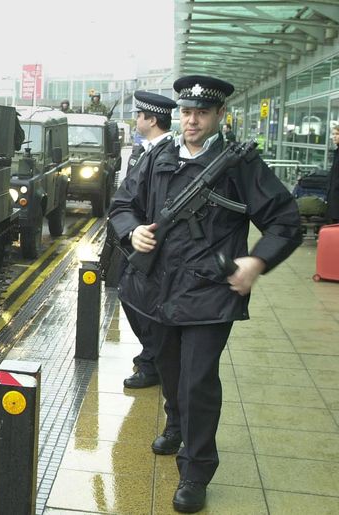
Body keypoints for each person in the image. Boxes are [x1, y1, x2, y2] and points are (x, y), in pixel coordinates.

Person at [109, 75, 301, 513]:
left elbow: (285, 222)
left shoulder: (239, 165)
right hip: (155, 289)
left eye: (201, 113)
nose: (191, 120)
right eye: (186, 112)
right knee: (171, 372)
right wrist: (132, 229)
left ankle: (195, 470)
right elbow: (122, 205)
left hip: (208, 294)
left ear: (219, 116)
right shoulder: (159, 157)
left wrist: (256, 261)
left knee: (198, 383)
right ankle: (176, 423)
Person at [116, 90, 177, 390]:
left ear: (151, 119)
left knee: (140, 303)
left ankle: (152, 363)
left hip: (150, 246)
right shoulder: (151, 150)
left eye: (140, 115)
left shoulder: (164, 155)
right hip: (138, 240)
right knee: (132, 298)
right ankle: (151, 360)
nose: (136, 119)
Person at [328, 125, 339, 223]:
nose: (334, 137)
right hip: (334, 196)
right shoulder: (336, 152)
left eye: (337, 134)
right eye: (333, 134)